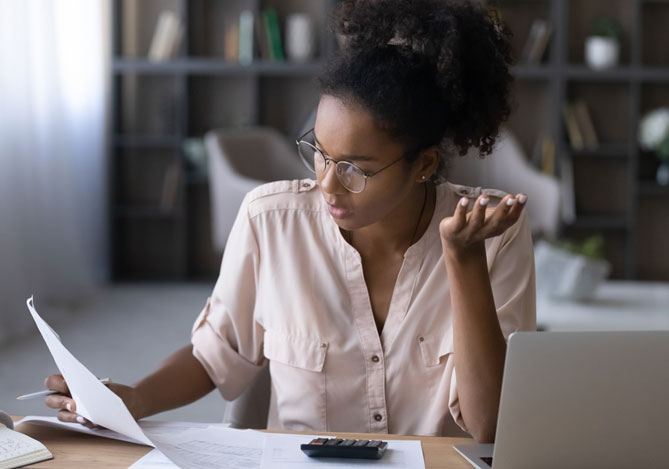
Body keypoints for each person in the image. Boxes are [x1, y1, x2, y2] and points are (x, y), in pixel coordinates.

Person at [44, 0, 535, 443]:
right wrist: (132, 398)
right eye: (320, 153)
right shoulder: (271, 222)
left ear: (424, 165)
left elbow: (489, 423)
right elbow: (214, 355)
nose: (327, 184)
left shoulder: (490, 232)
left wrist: (464, 260)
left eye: (355, 169)